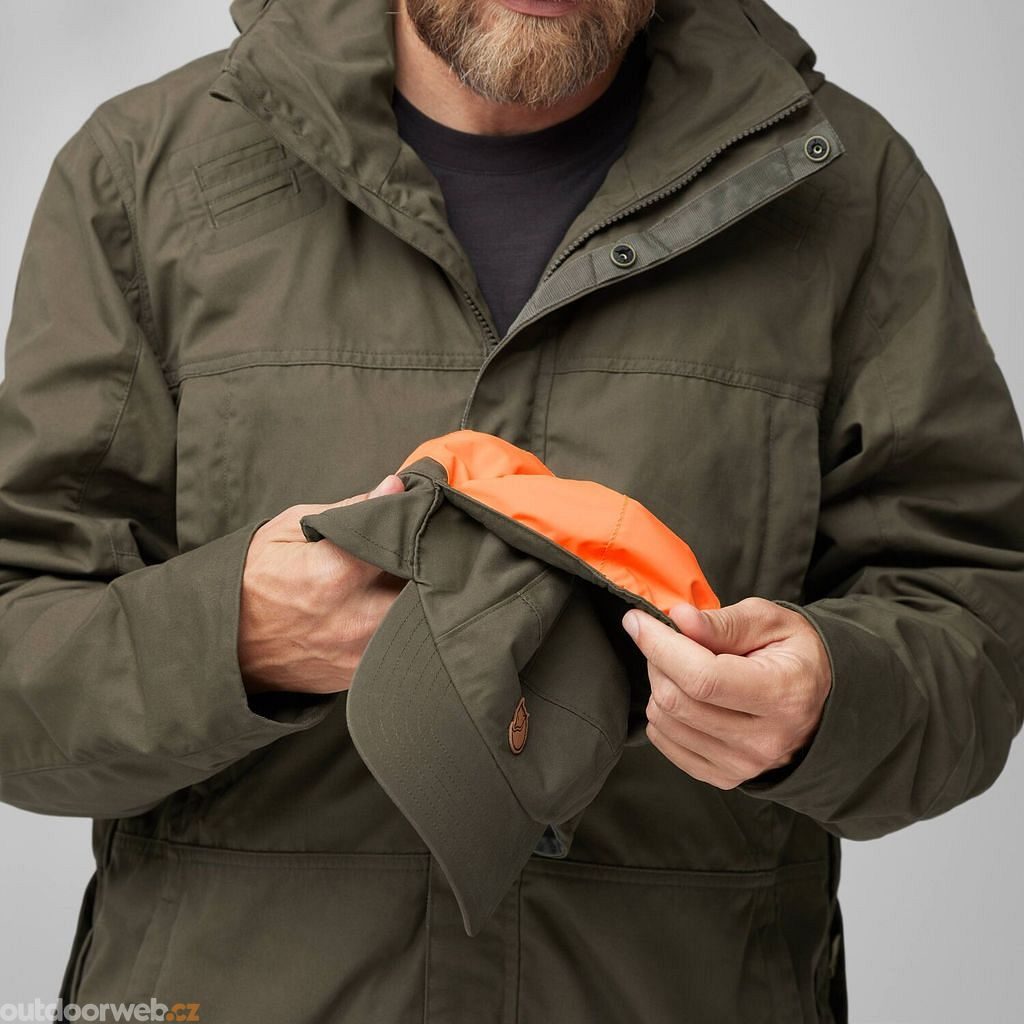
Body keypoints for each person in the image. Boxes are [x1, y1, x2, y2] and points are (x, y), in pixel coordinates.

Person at [1, 0, 1022, 1020]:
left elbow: (974, 628)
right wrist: (235, 639)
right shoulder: (139, 177)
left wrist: (828, 703)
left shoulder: (843, 187)